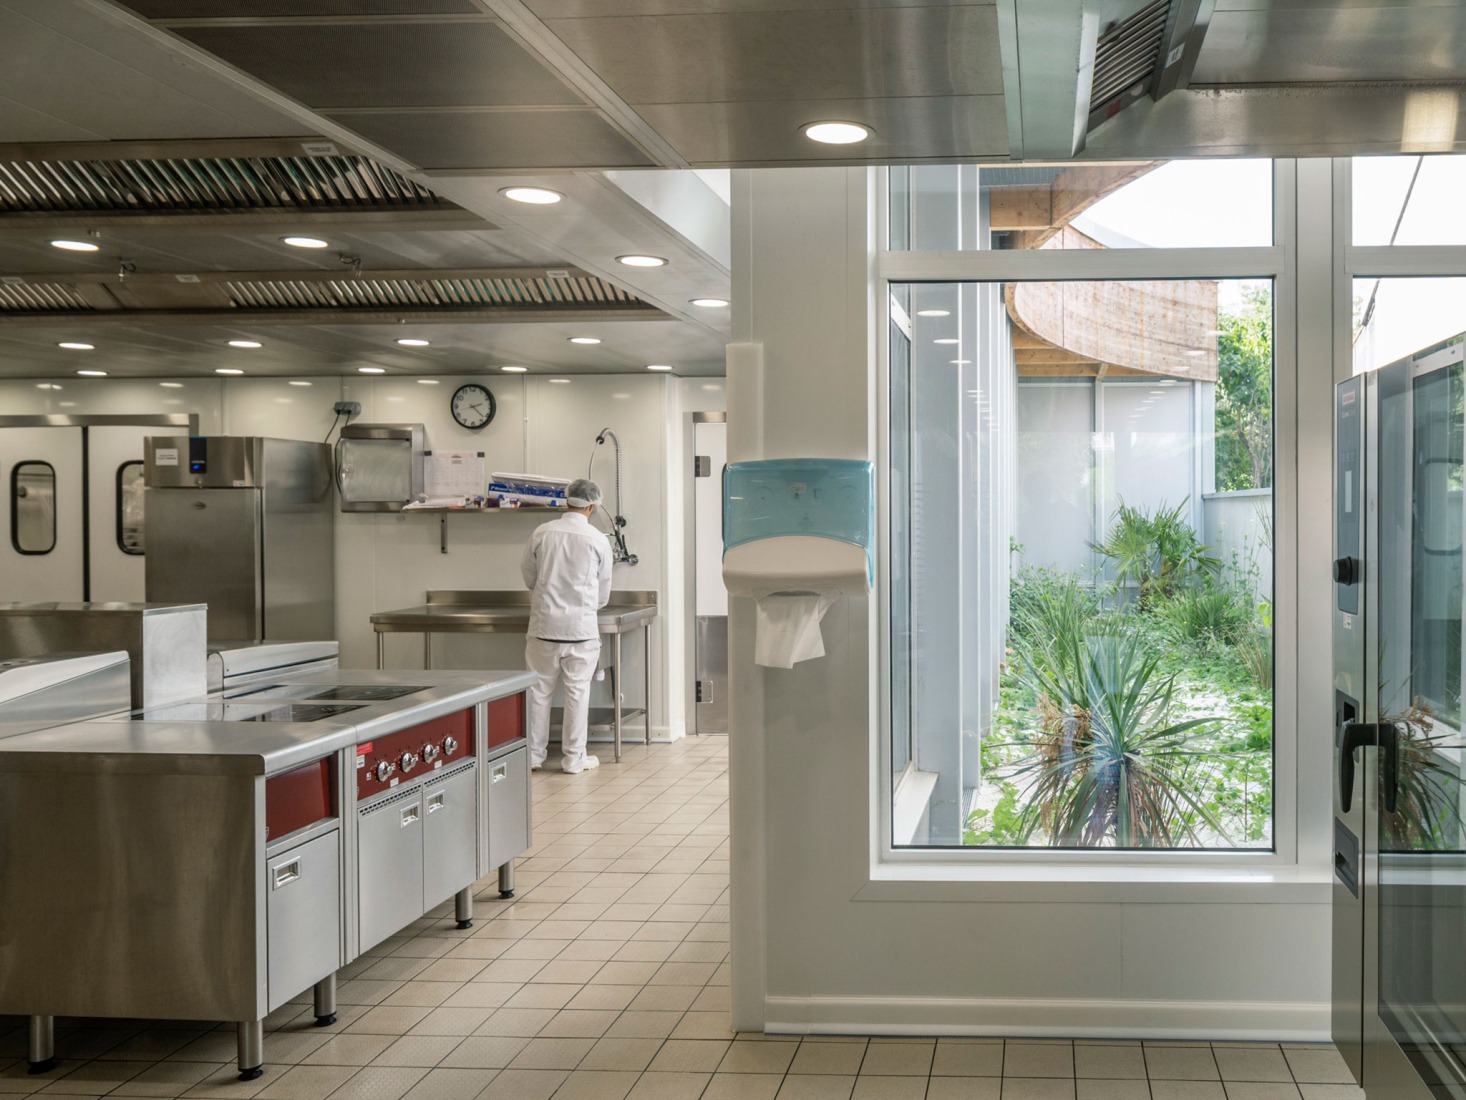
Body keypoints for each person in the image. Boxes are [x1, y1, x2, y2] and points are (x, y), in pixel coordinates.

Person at [520, 478, 613, 773]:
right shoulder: (598, 539)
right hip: (580, 631)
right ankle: (574, 758)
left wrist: (548, 596)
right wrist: (584, 606)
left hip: (544, 629)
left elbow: (529, 576)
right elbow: (603, 593)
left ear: (566, 501)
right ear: (592, 505)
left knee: (538, 693)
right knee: (577, 694)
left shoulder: (542, 533)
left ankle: (533, 757)